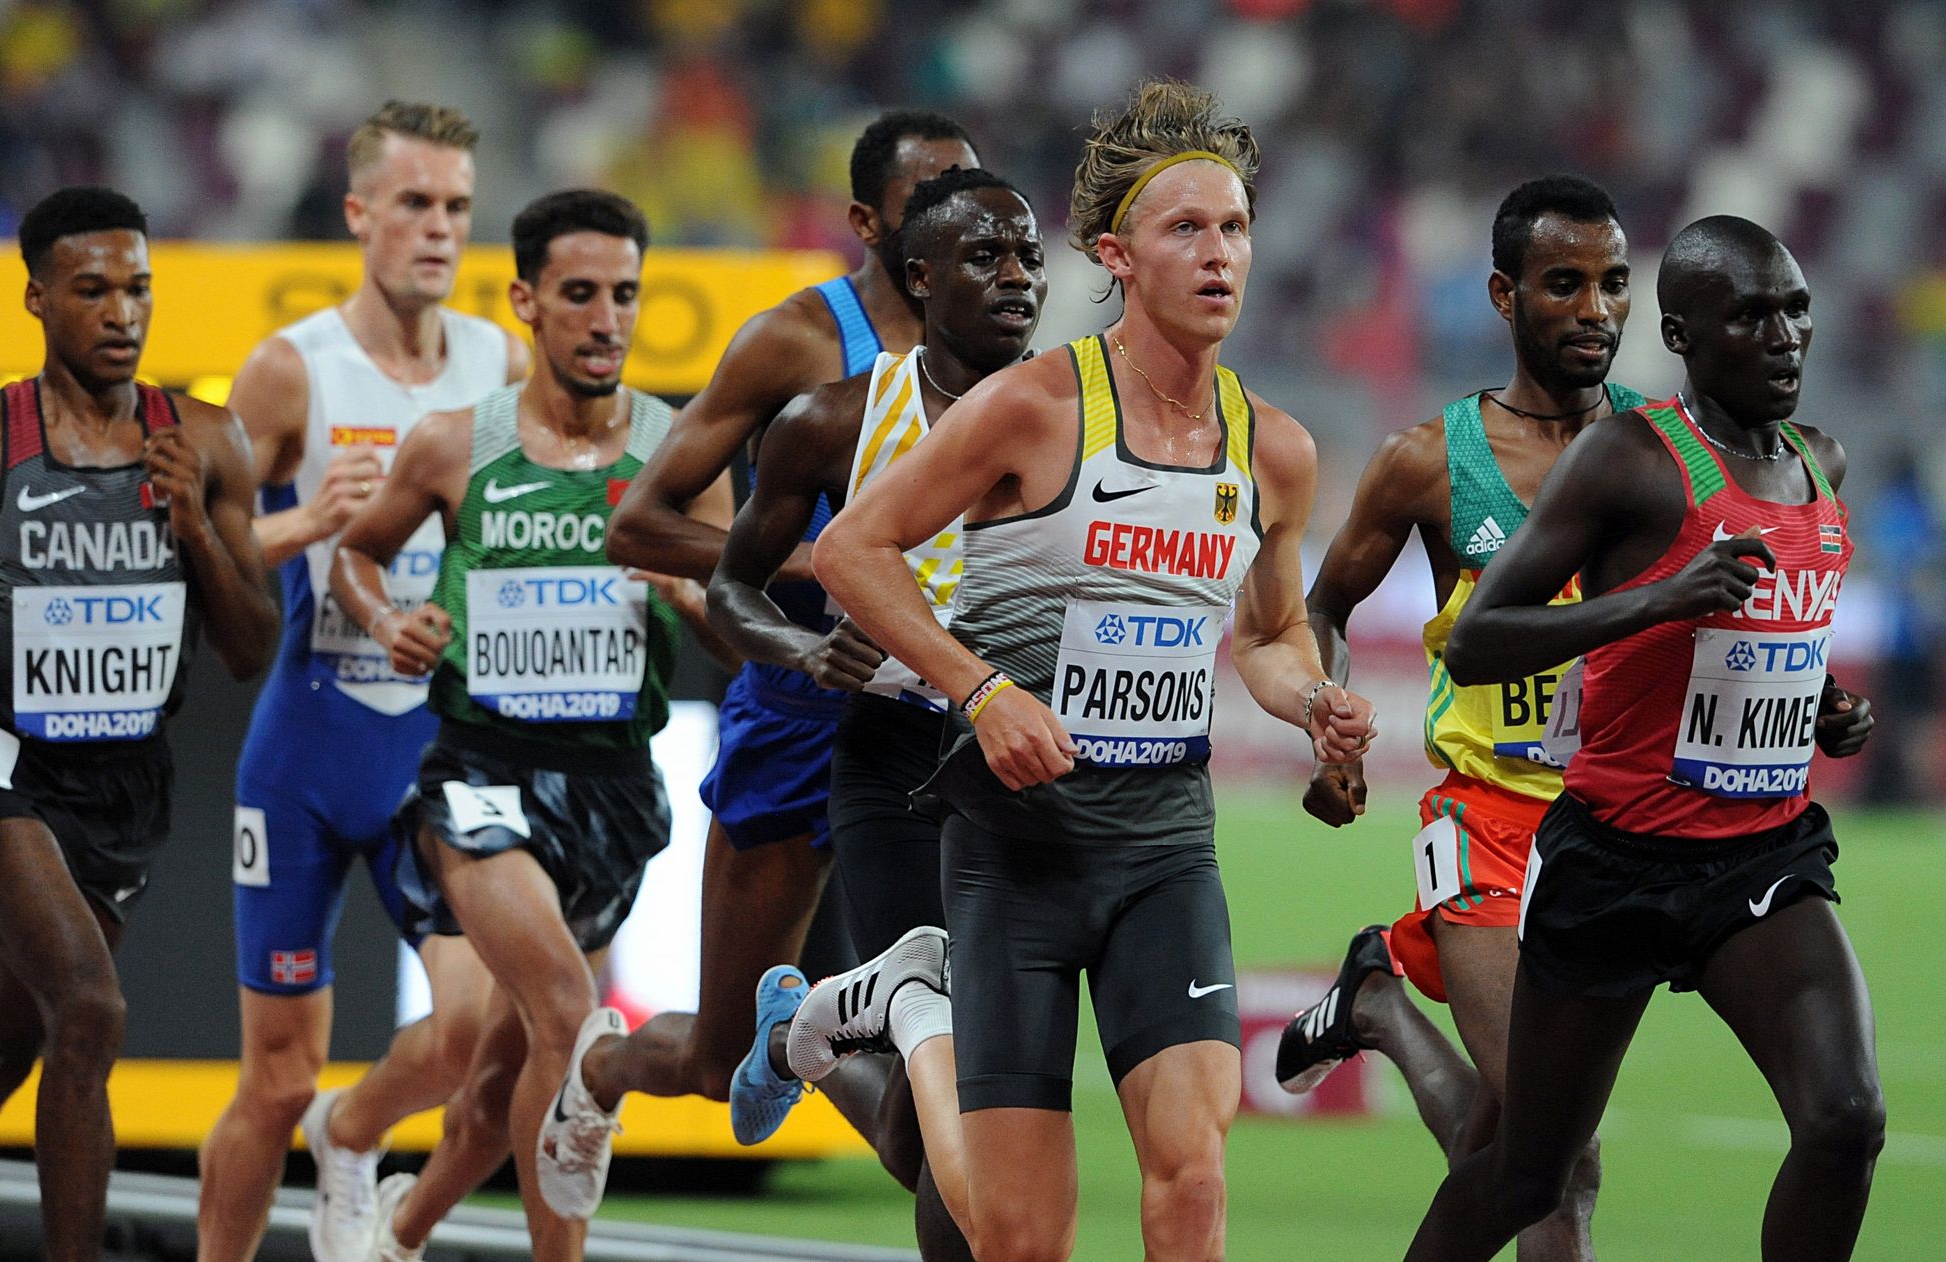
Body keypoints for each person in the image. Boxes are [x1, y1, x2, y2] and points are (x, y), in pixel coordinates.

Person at [792, 81, 1374, 1262]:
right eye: (1184, 228)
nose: (1218, 254)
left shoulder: (1274, 447)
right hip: (1016, 849)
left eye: (1233, 228)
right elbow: (854, 549)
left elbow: (1267, 634)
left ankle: (917, 1010)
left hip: (1162, 845)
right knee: (1020, 1237)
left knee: (1191, 1176)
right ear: (1115, 254)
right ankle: (913, 1010)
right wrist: (982, 689)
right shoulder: (1032, 406)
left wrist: (1313, 698)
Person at [1403, 216, 1882, 1262]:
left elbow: (1755, 649)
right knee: (1531, 1174)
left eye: (1795, 310)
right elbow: (1478, 642)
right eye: (1750, 316)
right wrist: (1659, 596)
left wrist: (1820, 703)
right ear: (1681, 335)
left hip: (1759, 855)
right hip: (1613, 862)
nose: (1784, 336)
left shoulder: (1820, 462)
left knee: (1844, 1117)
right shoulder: (1627, 459)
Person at [332, 188, 725, 1262]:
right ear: (525, 301)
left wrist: (694, 600)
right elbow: (356, 552)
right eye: (580, 294)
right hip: (481, 775)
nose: (607, 319)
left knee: (502, 1076)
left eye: (625, 295)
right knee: (566, 1009)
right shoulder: (455, 445)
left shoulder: (681, 453)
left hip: (612, 787)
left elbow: (744, 635)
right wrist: (389, 620)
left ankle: (397, 1234)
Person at [591, 111, 978, 1178]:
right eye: (927, 198)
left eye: (970, 193)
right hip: (804, 710)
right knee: (716, 1062)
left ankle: (819, 1028)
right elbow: (640, 525)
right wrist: (827, 561)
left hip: (935, 722)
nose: (957, 219)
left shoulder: (1001, 353)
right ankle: (604, 1068)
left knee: (949, 1077)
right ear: (866, 221)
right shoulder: (798, 341)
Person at [1275, 175, 1644, 1260]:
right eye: (1563, 283)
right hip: (1484, 821)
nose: (1594, 309)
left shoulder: (1662, 448)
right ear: (1502, 294)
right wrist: (1328, 720)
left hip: (1614, 835)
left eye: (1614, 283)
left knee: (1511, 1148)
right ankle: (1379, 998)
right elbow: (1323, 608)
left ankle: (1377, 1001)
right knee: (1558, 1153)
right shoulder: (1428, 461)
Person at [690, 165, 1044, 1257]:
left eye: (1030, 257)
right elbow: (730, 587)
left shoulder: (1078, 420)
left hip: (1028, 769)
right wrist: (804, 647)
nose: (1018, 277)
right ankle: (841, 1019)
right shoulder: (834, 420)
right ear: (918, 277)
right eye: (986, 257)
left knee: (946, 1116)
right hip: (897, 765)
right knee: (957, 1098)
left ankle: (810, 1028)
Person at [197, 100, 528, 1262]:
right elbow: (196, 547)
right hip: (306, 749)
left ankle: (353, 1131)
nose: (438, 229)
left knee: (474, 1028)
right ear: (357, 214)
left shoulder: (497, 363)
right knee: (276, 1074)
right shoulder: (292, 370)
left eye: (456, 208)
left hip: (431, 750)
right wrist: (301, 525)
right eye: (414, 203)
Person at [0, 187, 278, 1262]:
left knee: (4, 1043)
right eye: (92, 289)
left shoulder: (205, 438)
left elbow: (251, 646)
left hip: (126, 780)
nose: (121, 311)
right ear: (37, 298)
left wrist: (194, 526)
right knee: (91, 1009)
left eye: (138, 288)